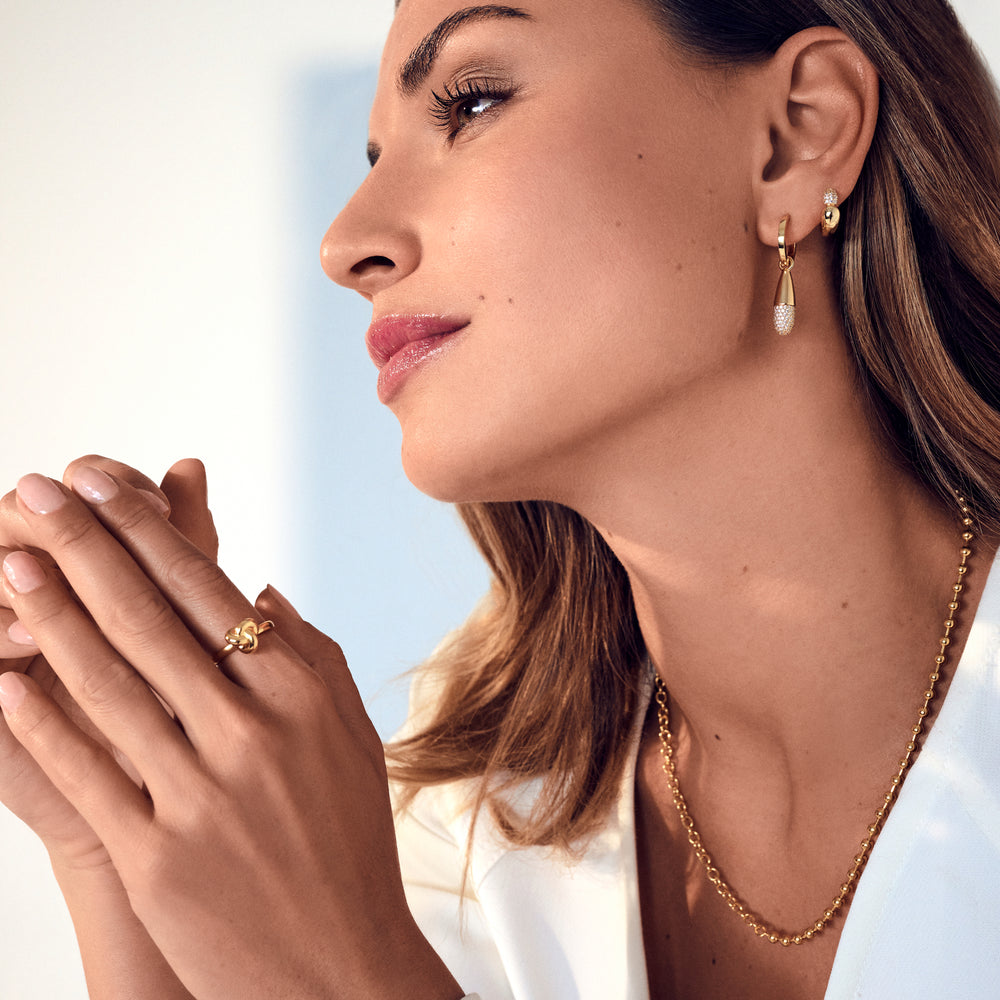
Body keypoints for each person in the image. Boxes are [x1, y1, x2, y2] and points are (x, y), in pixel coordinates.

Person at [1, 0, 999, 996]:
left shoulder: (376, 886)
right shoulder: (464, 829)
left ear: (797, 134)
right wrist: (120, 845)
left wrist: (350, 969)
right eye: (374, 157)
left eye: (470, 103)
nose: (346, 245)